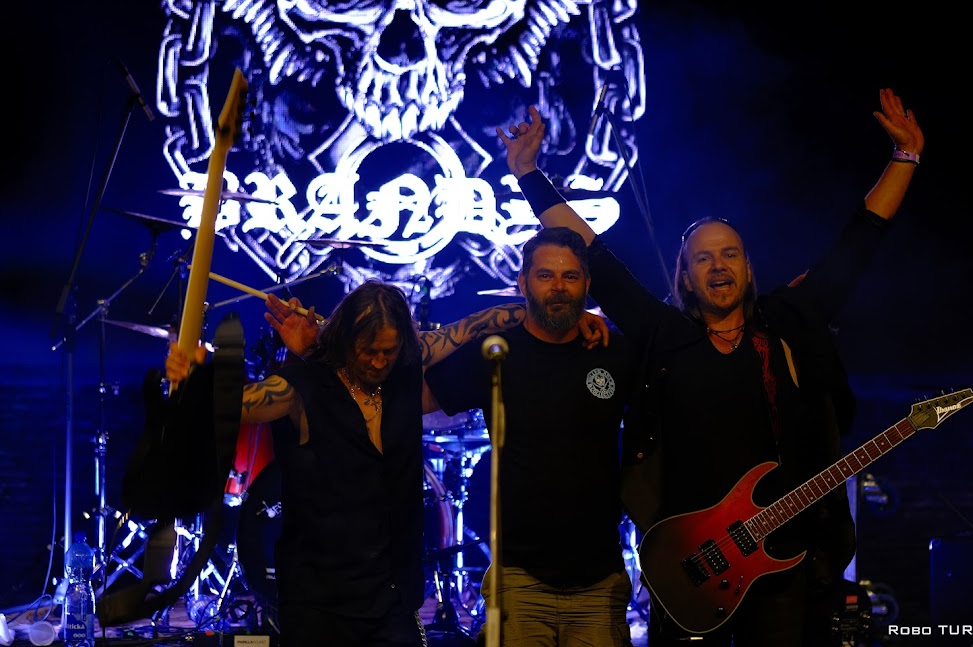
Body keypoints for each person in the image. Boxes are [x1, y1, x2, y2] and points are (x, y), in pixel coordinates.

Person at [496, 88, 924, 646]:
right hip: (689, 565)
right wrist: (528, 174)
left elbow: (857, 244)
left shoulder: (786, 324)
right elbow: (596, 256)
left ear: (747, 268)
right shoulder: (666, 335)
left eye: (729, 254)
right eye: (703, 258)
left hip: (782, 562)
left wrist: (905, 157)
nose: (718, 265)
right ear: (686, 276)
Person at [165, 282, 608, 647]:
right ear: (344, 341)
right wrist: (191, 382)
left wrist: (572, 319)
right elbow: (233, 405)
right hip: (320, 602)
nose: (379, 362)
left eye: (389, 352)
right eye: (368, 352)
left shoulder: (404, 369)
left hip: (392, 595)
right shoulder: (302, 386)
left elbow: (482, 322)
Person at [424, 226, 640, 646]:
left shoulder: (615, 353)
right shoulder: (494, 352)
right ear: (522, 283)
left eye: (570, 276)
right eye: (545, 276)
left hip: (600, 582)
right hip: (518, 580)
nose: (558, 287)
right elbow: (413, 397)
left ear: (587, 284)